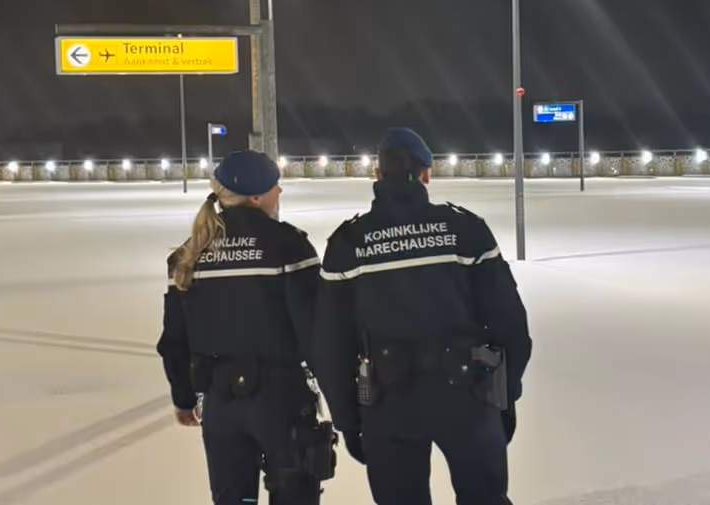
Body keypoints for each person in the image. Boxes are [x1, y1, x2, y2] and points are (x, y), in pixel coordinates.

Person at [313, 128, 532, 505]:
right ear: (426, 173)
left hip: (387, 403)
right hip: (468, 396)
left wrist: (349, 421)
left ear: (378, 175)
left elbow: (329, 347)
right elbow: (511, 325)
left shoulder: (348, 244)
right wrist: (504, 396)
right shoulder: (466, 230)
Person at [157, 150, 335, 505]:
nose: (279, 193)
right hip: (281, 401)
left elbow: (174, 340)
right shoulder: (288, 245)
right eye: (275, 186)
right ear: (256, 196)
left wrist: (183, 397)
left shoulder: (191, 253)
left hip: (221, 406)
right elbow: (316, 330)